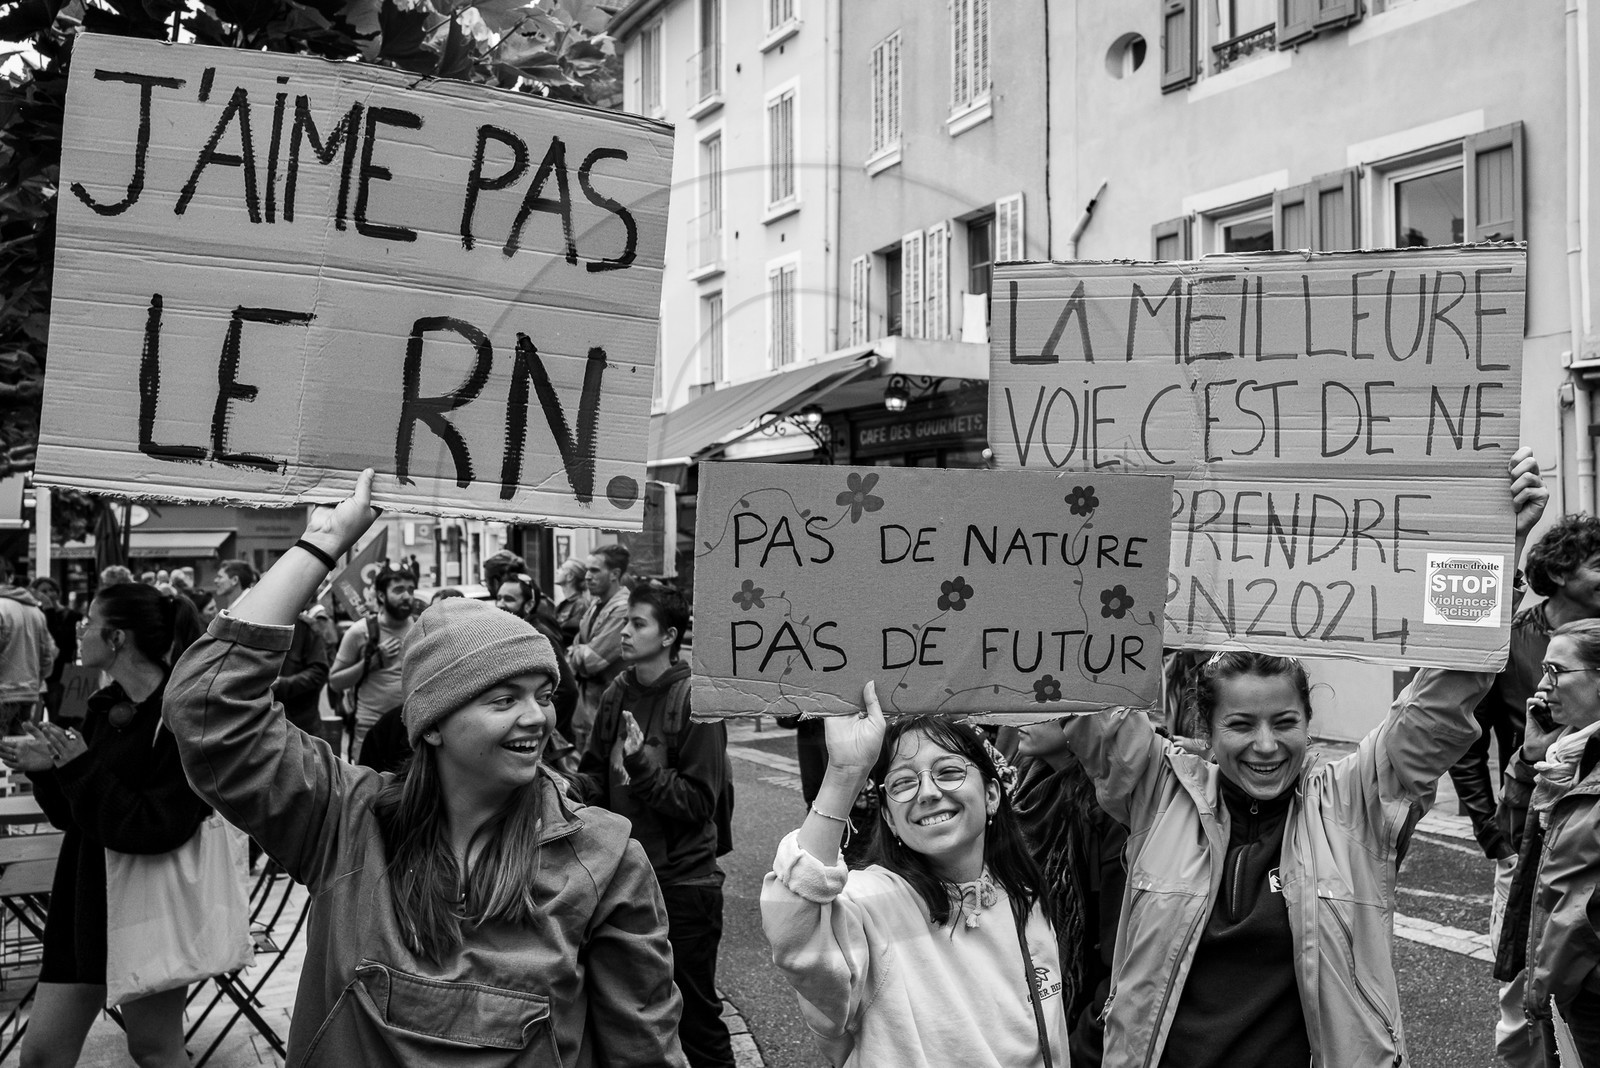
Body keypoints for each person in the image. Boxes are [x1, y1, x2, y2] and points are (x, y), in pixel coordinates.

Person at [1035, 448, 1547, 1068]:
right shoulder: (1156, 788)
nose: (1267, 745)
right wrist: (1079, 532)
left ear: (1309, 723)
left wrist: (1497, 549)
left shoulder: (1355, 800)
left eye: (1285, 723)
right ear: (1206, 728)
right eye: (1241, 725)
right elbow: (1087, 682)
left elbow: (1439, 703)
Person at [163, 470, 687, 1066]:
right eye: (502, 698)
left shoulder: (606, 858)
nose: (536, 717)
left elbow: (644, 1051)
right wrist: (322, 543)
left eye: (542, 694)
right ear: (431, 724)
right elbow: (208, 706)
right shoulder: (344, 820)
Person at [762, 684, 1065, 1067]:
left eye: (949, 771)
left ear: (991, 794)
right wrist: (844, 773)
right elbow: (792, 926)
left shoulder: (1026, 898)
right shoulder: (871, 906)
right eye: (903, 782)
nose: (928, 792)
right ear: (888, 817)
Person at [0, 583, 212, 1068]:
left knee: (154, 1049)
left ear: (117, 638)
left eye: (88, 622)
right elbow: (71, 815)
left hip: (148, 906)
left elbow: (154, 826)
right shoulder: (102, 707)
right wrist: (48, 768)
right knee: (41, 1055)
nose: (78, 629)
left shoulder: (179, 714)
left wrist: (75, 767)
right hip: (84, 903)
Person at [572, 583, 735, 1068]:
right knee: (633, 1014)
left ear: (668, 636)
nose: (624, 632)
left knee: (695, 1018)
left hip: (684, 885)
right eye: (625, 622)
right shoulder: (617, 691)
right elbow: (597, 776)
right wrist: (556, 784)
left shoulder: (697, 702)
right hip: (622, 878)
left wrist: (641, 764)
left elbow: (698, 804)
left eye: (637, 623)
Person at [1461, 513, 1600, 1067]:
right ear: (1562, 570)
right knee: (1522, 983)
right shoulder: (1513, 639)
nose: (1546, 685)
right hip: (1530, 829)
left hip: (1576, 826)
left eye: (1559, 673)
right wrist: (1490, 830)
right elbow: (1470, 738)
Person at [1011, 719, 1126, 1067]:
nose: (1021, 717)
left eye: (1044, 709)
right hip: (1023, 1011)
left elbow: (1118, 953)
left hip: (1075, 1026)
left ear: (1081, 722)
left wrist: (1080, 1047)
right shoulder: (1026, 788)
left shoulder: (1109, 812)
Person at [1511, 619, 1600, 1061]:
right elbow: (1518, 844)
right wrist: (1530, 757)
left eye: (1557, 670)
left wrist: (1576, 977)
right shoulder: (1563, 756)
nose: (1542, 685)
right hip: (1562, 986)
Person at [329, 568, 414, 757]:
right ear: (381, 596)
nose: (407, 596)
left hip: (412, 729)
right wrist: (370, 662)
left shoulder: (421, 629)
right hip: (370, 730)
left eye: (411, 589)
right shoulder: (360, 632)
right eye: (399, 590)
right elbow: (335, 682)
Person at [496, 574, 579, 745]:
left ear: (529, 605)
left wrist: (548, 734)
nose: (500, 604)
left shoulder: (536, 635)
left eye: (509, 599)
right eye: (498, 598)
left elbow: (568, 690)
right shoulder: (516, 632)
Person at [568, 545, 631, 750]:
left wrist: (578, 652)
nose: (587, 576)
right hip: (589, 705)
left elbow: (591, 661)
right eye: (587, 570)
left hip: (612, 705)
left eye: (594, 570)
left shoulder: (623, 608)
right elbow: (577, 646)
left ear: (615, 574)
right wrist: (580, 651)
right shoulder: (596, 604)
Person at [0, 557, 56, 734]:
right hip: (28, 693)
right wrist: (36, 680)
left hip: (3, 692)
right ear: (9, 577)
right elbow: (49, 653)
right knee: (16, 752)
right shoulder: (34, 610)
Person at [275, 601, 330, 736]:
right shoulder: (257, 627)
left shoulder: (307, 629)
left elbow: (319, 673)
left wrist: (282, 684)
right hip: (269, 726)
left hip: (302, 726)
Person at [28, 577, 78, 722]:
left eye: (52, 590)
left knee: (61, 720)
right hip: (40, 674)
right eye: (43, 591)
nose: (49, 594)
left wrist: (49, 609)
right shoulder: (35, 614)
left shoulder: (72, 616)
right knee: (33, 721)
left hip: (64, 673)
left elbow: (58, 642)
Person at [553, 558, 591, 649]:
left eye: (562, 568)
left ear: (570, 576)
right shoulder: (563, 604)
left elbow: (570, 632)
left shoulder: (581, 604)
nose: (557, 571)